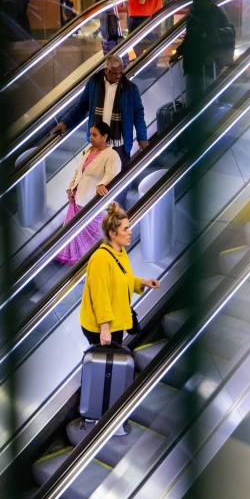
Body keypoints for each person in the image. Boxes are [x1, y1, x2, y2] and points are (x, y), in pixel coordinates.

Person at [79, 202, 159, 346]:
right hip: (101, 327)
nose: (130, 232)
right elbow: (100, 296)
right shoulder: (100, 258)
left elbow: (122, 279)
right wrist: (104, 329)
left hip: (115, 322)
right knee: (107, 364)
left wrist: (143, 282)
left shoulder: (120, 253)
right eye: (126, 229)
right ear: (112, 233)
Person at [52, 54, 148, 165]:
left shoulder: (130, 89)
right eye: (115, 73)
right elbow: (81, 106)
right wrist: (65, 123)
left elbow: (138, 115)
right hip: (97, 143)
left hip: (120, 146)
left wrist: (142, 137)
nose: (118, 76)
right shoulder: (94, 84)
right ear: (106, 71)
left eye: (120, 72)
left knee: (119, 179)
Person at [55, 121, 122, 265]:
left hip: (92, 203)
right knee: (73, 234)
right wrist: (70, 187)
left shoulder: (112, 155)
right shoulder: (88, 150)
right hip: (77, 199)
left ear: (105, 137)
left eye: (95, 135)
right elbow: (78, 172)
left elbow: (112, 175)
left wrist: (101, 184)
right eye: (90, 134)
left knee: (93, 238)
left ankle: (93, 263)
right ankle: (78, 263)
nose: (90, 137)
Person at [171, 0, 234, 83]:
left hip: (200, 63)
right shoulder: (214, 13)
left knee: (197, 90)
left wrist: (179, 52)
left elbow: (191, 38)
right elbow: (192, 37)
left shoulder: (199, 13)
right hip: (206, 64)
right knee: (204, 90)